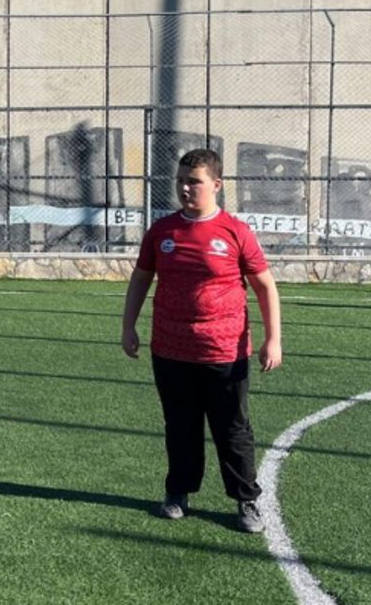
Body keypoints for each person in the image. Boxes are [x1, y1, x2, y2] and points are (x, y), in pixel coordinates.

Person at [120, 148, 282, 533]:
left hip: (224, 350)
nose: (185, 188)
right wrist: (128, 326)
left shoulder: (235, 231)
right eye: (180, 181)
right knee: (180, 426)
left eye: (194, 181)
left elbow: (264, 285)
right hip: (171, 349)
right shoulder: (162, 232)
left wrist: (273, 338)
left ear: (216, 185)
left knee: (233, 429)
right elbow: (141, 278)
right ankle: (178, 492)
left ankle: (246, 501)